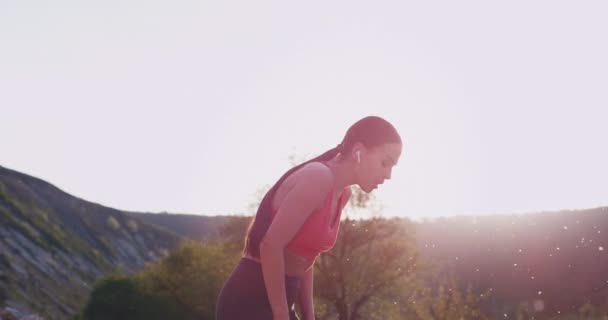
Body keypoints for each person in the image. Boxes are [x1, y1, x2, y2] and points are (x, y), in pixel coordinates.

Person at [215, 115, 402, 320]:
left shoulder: (342, 194)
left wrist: (309, 316)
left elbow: (304, 257)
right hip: (248, 300)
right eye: (386, 163)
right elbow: (270, 245)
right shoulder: (318, 177)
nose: (388, 175)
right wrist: (281, 314)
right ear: (358, 152)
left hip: (283, 300)